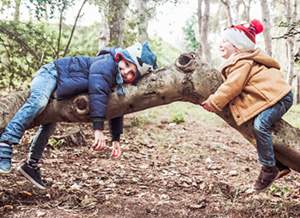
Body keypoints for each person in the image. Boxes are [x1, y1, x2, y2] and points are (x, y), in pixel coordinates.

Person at [0, 41, 158, 189]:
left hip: (60, 86)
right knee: (39, 101)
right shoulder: (107, 63)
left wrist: (115, 139)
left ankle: (31, 165)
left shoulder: (117, 81)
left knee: (50, 124)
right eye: (127, 65)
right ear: (121, 57)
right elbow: (98, 90)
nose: (126, 72)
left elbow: (117, 107)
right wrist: (98, 129)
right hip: (51, 73)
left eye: (132, 73)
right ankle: (6, 143)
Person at [201, 19, 293, 192]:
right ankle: (279, 164)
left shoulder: (242, 61)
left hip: (280, 98)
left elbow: (233, 86)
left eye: (225, 41)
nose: (221, 44)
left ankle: (269, 168)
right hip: (272, 98)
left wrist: (214, 101)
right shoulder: (240, 61)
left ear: (237, 46)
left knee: (261, 125)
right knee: (255, 127)